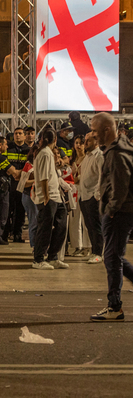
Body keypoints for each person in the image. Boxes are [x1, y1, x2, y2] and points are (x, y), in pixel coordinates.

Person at [90, 113, 133, 321]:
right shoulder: (118, 149)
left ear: (107, 130)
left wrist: (112, 209)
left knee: (112, 258)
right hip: (119, 212)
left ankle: (114, 307)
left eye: (95, 130)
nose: (92, 134)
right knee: (114, 257)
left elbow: (121, 184)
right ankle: (114, 306)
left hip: (119, 213)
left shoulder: (116, 154)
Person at [32, 128, 67, 270]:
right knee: (45, 228)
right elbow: (44, 177)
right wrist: (46, 196)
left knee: (61, 225)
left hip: (56, 196)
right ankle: (38, 259)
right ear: (55, 139)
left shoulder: (49, 153)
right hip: (48, 196)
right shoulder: (45, 153)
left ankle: (53, 256)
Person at [75, 131, 104, 264]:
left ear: (97, 142)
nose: (85, 143)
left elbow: (102, 177)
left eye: (89, 141)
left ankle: (98, 253)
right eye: (85, 140)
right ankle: (94, 251)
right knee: (89, 226)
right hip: (83, 196)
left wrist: (97, 196)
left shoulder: (99, 156)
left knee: (95, 226)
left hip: (92, 196)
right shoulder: (87, 157)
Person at [5, 127, 29, 242]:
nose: (18, 135)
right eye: (16, 133)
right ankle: (5, 233)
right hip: (10, 182)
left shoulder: (28, 150)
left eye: (20, 133)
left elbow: (29, 166)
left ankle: (17, 234)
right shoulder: (8, 148)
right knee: (7, 210)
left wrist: (19, 174)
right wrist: (13, 173)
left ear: (25, 136)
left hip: (22, 183)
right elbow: (4, 163)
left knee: (20, 211)